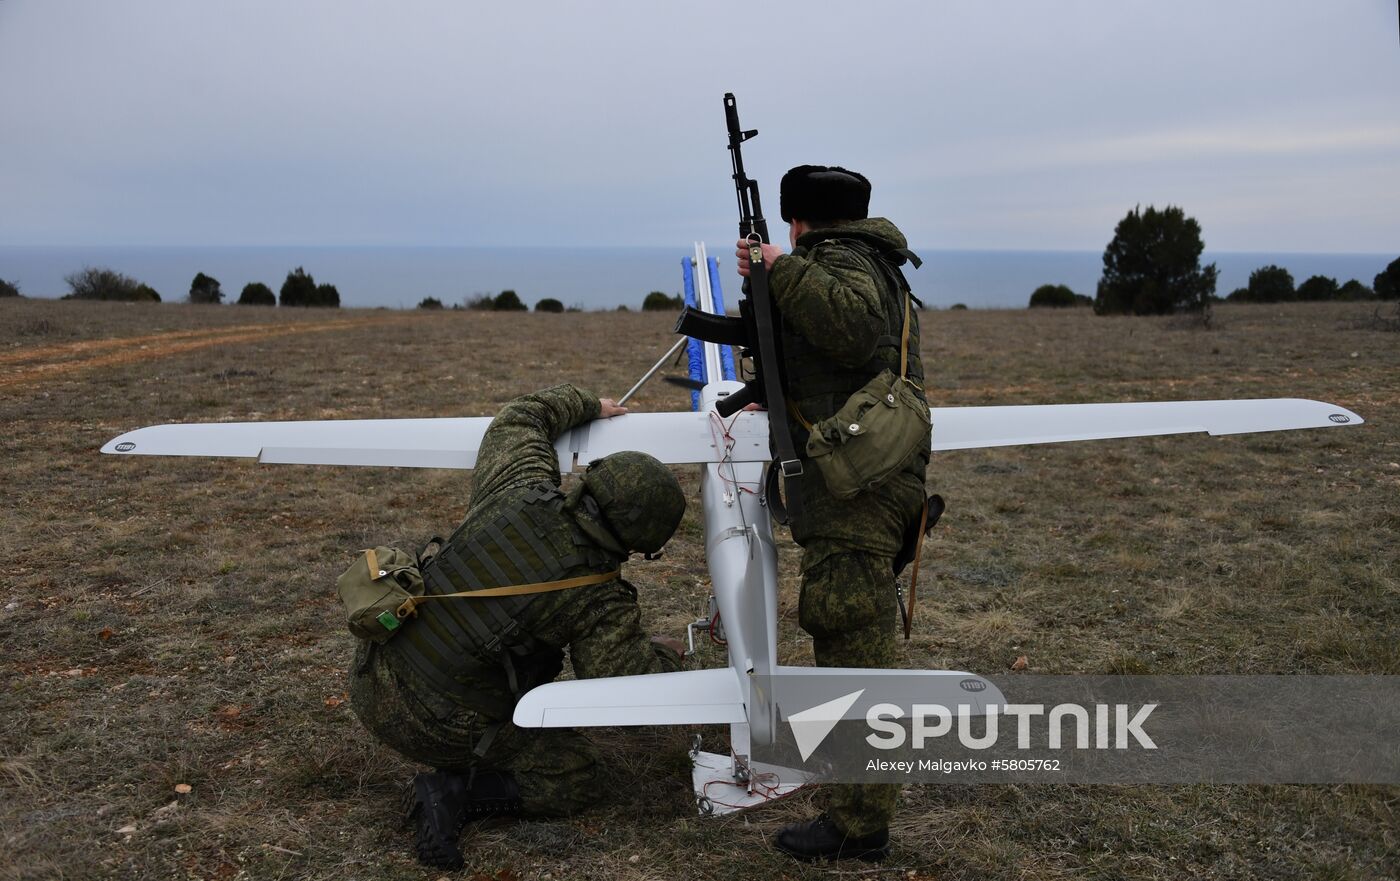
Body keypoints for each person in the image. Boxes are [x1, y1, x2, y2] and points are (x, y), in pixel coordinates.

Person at [348, 383, 688, 870]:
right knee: (576, 774)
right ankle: (454, 793)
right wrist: (671, 657)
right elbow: (630, 697)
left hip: (371, 671)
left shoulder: (519, 487)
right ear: (644, 541)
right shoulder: (597, 595)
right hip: (429, 721)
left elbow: (521, 417)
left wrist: (591, 406)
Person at [736, 165, 929, 862]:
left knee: (853, 648)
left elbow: (849, 329)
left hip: (859, 491)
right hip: (864, 480)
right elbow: (836, 359)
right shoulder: (870, 260)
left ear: (798, 221)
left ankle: (858, 824)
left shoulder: (841, 263)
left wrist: (777, 270)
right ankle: (859, 809)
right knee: (855, 640)